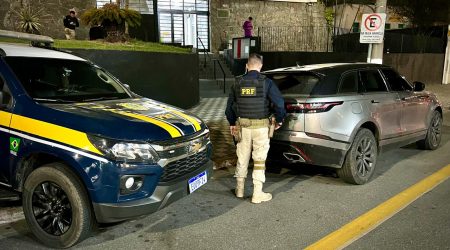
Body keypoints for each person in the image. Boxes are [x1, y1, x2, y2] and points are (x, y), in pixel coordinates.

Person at [225, 53, 286, 204]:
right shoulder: (267, 83)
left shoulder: (237, 82)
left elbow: (229, 108)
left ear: (247, 66)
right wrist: (279, 120)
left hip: (242, 128)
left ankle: (239, 190)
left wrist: (232, 123)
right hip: (261, 128)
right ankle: (257, 194)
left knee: (242, 157)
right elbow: (279, 104)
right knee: (259, 160)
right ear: (260, 66)